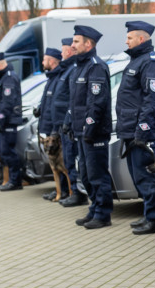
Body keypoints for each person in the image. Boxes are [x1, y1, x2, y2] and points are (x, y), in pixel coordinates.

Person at [116, 21, 155, 235]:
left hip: (142, 131)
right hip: (130, 129)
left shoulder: (150, 62)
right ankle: (149, 214)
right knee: (139, 176)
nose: (126, 41)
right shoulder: (137, 61)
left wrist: (143, 129)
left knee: (147, 176)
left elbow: (152, 99)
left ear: (141, 39)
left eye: (129, 38)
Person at [68, 25, 114, 228]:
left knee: (97, 174)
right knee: (85, 175)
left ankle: (103, 214)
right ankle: (95, 208)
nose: (72, 45)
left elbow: (96, 102)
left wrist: (88, 128)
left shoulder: (95, 66)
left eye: (76, 41)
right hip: (81, 132)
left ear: (88, 44)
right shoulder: (80, 66)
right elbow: (76, 103)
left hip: (93, 133)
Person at [54, 38, 87, 208]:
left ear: (69, 51)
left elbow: (72, 101)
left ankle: (77, 193)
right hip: (64, 124)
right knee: (68, 160)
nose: (61, 54)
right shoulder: (68, 71)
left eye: (63, 50)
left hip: (71, 124)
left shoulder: (73, 70)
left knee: (72, 160)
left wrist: (68, 121)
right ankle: (73, 191)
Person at [0, 53, 24, 191]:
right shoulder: (2, 77)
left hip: (8, 121)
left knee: (8, 152)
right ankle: (10, 179)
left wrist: (1, 119)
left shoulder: (9, 78)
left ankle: (15, 181)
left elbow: (7, 102)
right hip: (4, 121)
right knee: (4, 153)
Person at [36, 48, 66, 201]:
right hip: (49, 127)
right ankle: (60, 190)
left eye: (44, 59)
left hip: (56, 128)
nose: (42, 62)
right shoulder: (51, 78)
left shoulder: (59, 77)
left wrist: (55, 129)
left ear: (52, 61)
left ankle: (67, 192)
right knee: (55, 165)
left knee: (62, 164)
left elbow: (58, 105)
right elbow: (48, 103)